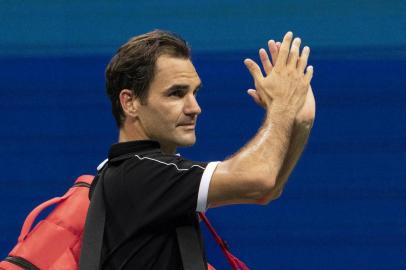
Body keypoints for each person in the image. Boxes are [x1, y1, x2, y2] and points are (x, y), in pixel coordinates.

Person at [90, 29, 315, 269]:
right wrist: (281, 106)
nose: (194, 107)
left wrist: (301, 122)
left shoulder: (145, 174)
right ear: (130, 102)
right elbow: (259, 178)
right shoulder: (137, 173)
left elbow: (265, 190)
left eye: (194, 92)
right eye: (176, 93)